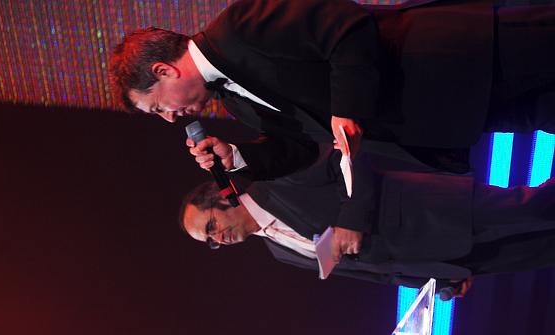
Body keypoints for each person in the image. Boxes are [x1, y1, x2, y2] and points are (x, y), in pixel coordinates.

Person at [110, 0, 555, 258]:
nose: (169, 117)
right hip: (454, 111)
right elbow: (303, 145)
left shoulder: (240, 26)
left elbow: (347, 27)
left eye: (157, 107)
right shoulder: (232, 100)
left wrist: (347, 108)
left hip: (464, 57)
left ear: (164, 70)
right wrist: (239, 156)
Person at [179, 145, 555, 298]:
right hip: (443, 260)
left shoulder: (276, 180)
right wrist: (433, 281)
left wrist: (351, 220)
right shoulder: (280, 253)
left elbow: (350, 155)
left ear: (222, 197)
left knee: (539, 207)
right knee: (539, 251)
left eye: (210, 227)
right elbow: (374, 272)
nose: (218, 239)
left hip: (434, 212)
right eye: (210, 241)